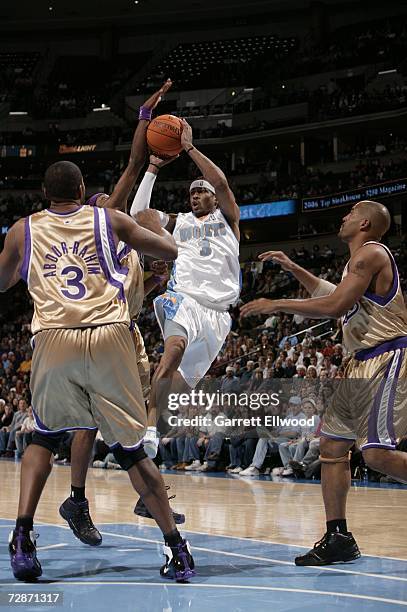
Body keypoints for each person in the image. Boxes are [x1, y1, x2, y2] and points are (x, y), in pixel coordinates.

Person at [1, 159, 195, 583]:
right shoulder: (110, 221)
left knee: (45, 435)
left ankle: (23, 537)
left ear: (44, 193)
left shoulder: (24, 229)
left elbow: (2, 282)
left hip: (54, 339)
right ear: (83, 187)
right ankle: (176, 548)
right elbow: (170, 251)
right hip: (110, 337)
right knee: (130, 449)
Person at [241, 200, 407, 566]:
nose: (343, 217)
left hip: (386, 356)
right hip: (358, 363)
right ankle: (338, 536)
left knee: (377, 454)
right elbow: (327, 291)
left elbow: (333, 305)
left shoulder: (371, 253)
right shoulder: (356, 266)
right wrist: (292, 266)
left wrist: (277, 304)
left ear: (364, 222)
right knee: (332, 447)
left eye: (350, 214)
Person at [130, 119, 241, 457]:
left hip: (218, 315)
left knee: (175, 391)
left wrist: (189, 148)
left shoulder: (228, 219)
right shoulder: (180, 222)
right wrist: (151, 169)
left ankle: (148, 424)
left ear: (214, 198)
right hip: (184, 299)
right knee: (174, 348)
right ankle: (148, 426)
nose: (195, 196)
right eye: (191, 192)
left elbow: (220, 180)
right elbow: (138, 214)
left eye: (201, 191)